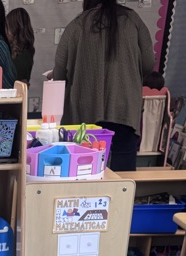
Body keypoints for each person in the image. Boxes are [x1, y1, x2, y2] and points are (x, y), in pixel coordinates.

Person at [52, 0, 155, 172]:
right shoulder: (133, 20)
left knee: (84, 174)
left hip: (85, 115)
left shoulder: (78, 24)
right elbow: (148, 64)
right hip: (125, 110)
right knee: (123, 180)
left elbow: (59, 74)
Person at [5, 7, 35, 87]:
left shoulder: (22, 56)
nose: (6, 32)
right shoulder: (28, 50)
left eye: (7, 27)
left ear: (14, 28)